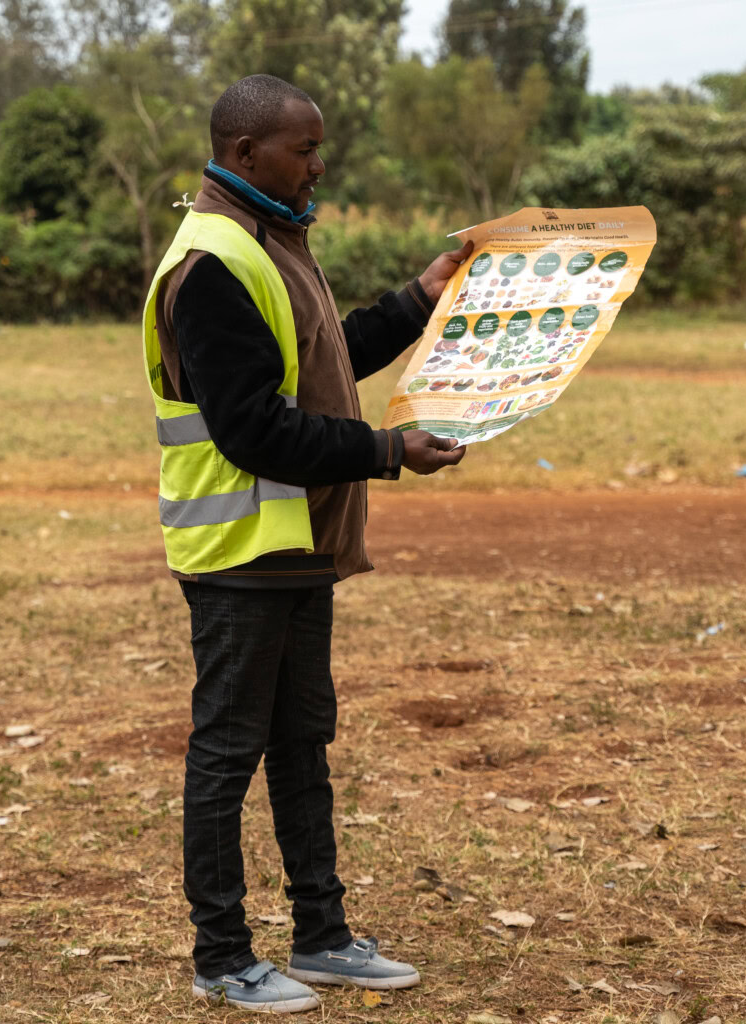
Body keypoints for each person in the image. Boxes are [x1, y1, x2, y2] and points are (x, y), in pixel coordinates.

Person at [142, 74, 470, 1013]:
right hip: (241, 553)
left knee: (301, 743)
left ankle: (322, 938)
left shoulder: (270, 242)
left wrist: (418, 299)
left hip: (297, 543)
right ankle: (222, 957)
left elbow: (326, 360)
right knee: (228, 750)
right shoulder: (212, 264)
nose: (319, 163)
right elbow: (252, 428)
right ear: (247, 155)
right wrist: (388, 451)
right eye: (305, 149)